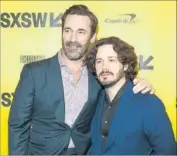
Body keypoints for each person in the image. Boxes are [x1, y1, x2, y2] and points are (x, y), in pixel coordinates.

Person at [8, 5, 154, 155]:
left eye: (81, 32)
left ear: (92, 37)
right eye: (68, 30)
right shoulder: (34, 72)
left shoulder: (99, 75)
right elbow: (18, 125)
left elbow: (121, 89)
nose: (72, 39)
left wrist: (141, 84)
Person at [90, 36, 176, 155]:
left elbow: (168, 152)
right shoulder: (95, 100)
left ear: (125, 65)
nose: (104, 67)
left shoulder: (149, 103)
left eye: (111, 60)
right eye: (99, 61)